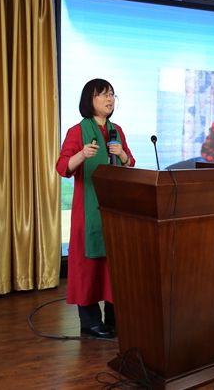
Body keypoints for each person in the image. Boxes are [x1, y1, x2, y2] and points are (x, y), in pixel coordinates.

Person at [56, 78, 136, 339]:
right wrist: (82, 154)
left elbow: (129, 164)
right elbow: (63, 167)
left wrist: (122, 154)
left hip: (114, 210)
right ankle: (90, 323)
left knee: (114, 265)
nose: (109, 99)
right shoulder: (76, 131)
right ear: (89, 100)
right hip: (88, 211)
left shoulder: (117, 130)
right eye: (103, 94)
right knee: (88, 266)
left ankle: (115, 318)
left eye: (112, 94)